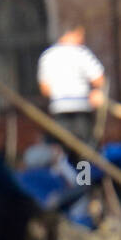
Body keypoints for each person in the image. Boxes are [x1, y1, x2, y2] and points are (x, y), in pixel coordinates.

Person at [36, 14, 106, 148]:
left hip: (59, 109)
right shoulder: (82, 53)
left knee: (65, 148)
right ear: (73, 34)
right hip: (82, 108)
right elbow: (100, 80)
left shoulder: (47, 56)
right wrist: (96, 92)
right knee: (85, 151)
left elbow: (45, 90)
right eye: (81, 36)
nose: (82, 40)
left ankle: (69, 168)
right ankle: (84, 169)